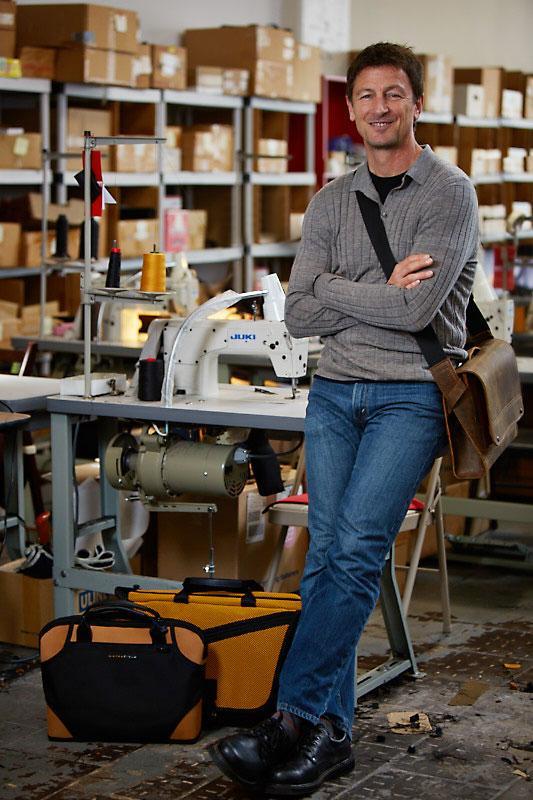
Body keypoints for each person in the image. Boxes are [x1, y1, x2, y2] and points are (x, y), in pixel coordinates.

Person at [209, 42, 479, 797]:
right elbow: (295, 314)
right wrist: (369, 288)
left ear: (415, 104)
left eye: (393, 93)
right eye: (365, 95)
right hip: (333, 392)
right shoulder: (330, 201)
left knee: (357, 549)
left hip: (408, 396)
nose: (379, 108)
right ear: (351, 108)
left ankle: (291, 718)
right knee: (326, 555)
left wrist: (337, 285)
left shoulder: (448, 193)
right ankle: (329, 735)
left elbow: (416, 308)